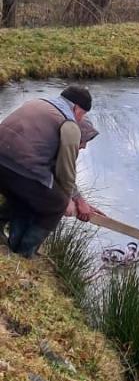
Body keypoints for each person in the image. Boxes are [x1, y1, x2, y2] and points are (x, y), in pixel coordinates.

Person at [0, 85, 94, 257]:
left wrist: (79, 199)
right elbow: (65, 172)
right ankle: (25, 252)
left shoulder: (37, 103)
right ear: (76, 108)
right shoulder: (69, 124)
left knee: (25, 196)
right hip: (21, 170)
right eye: (83, 114)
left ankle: (10, 242)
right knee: (55, 205)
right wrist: (67, 200)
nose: (81, 119)